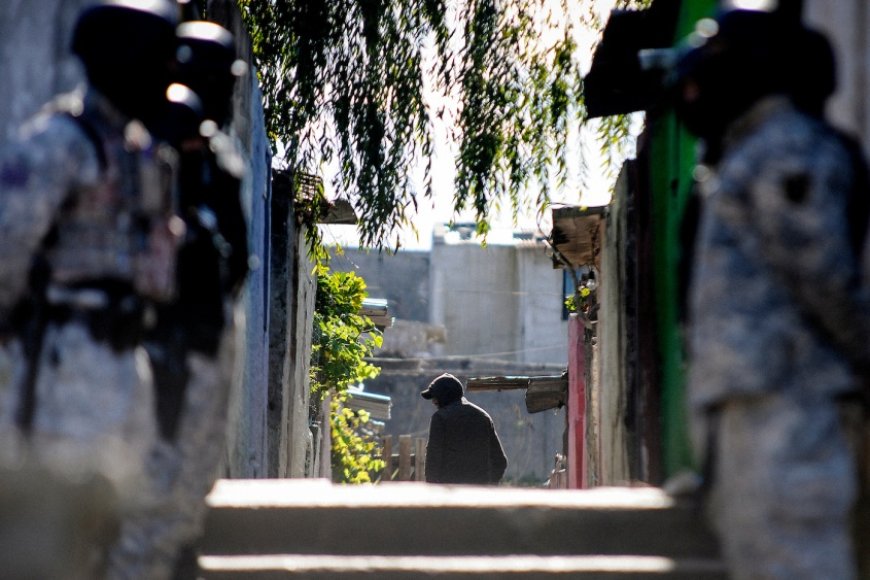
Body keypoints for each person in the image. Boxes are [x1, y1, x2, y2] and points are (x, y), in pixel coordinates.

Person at [672, 8, 870, 579]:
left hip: (787, 400)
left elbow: (823, 276)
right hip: (754, 398)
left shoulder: (787, 149)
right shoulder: (755, 150)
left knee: (795, 560)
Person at [0, 0, 181, 575]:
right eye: (155, 61)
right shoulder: (60, 142)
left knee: (114, 537)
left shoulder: (143, 153)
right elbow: (7, 245)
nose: (164, 76)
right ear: (119, 61)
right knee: (46, 542)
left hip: (122, 370)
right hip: (59, 373)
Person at [107, 21, 250, 580]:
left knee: (194, 461)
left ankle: (179, 549)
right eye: (211, 80)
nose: (220, 93)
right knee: (144, 466)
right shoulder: (140, 147)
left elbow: (236, 256)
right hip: (145, 336)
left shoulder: (220, 159)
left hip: (206, 329)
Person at [421, 373, 507, 484]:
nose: (433, 402)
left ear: (444, 396)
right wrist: (488, 485)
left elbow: (433, 458)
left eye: (435, 397)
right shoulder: (483, 417)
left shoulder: (441, 418)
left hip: (449, 490)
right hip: (479, 491)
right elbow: (500, 461)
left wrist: (433, 487)